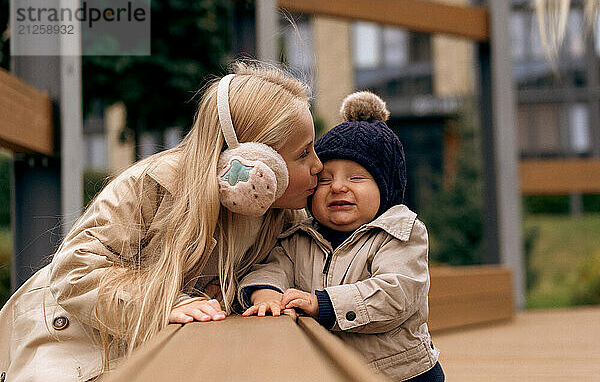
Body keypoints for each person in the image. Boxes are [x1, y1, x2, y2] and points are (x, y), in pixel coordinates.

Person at [0, 61, 323, 381]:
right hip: (73, 343)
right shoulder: (153, 183)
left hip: (150, 349)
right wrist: (161, 302)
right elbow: (75, 269)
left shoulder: (280, 213)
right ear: (254, 163)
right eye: (304, 153)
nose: (318, 165)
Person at [240, 91, 444, 382]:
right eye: (325, 179)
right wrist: (266, 295)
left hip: (401, 373)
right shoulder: (300, 237)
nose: (337, 187)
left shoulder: (400, 233)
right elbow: (270, 268)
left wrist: (322, 304)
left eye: (356, 178)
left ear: (386, 188)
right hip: (333, 370)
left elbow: (395, 294)